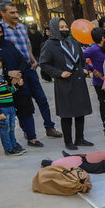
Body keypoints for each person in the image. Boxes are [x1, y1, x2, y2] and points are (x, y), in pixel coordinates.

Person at [0, 0, 61, 138]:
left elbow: (27, 46)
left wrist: (33, 60)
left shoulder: (21, 27)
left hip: (30, 69)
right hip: (15, 72)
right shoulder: (0, 30)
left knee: (42, 99)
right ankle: (27, 130)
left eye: (16, 12)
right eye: (12, 12)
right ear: (2, 13)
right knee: (23, 104)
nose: (16, 15)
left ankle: (49, 127)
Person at [0, 20, 43, 148]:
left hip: (17, 83)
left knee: (26, 111)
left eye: (0, 32)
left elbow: (23, 61)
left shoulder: (8, 44)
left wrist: (18, 74)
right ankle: (10, 145)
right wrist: (8, 73)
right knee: (6, 120)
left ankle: (32, 137)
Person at [39, 18, 92, 150]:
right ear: (54, 29)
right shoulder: (49, 45)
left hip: (79, 81)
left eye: (65, 26)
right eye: (61, 27)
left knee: (81, 112)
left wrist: (85, 68)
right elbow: (44, 64)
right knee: (67, 113)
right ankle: (68, 141)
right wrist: (59, 73)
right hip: (64, 83)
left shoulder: (73, 42)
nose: (64, 29)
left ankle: (80, 138)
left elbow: (83, 59)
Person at [83, 27, 105, 137]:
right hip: (99, 83)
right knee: (104, 105)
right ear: (102, 38)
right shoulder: (93, 49)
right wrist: (92, 69)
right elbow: (80, 58)